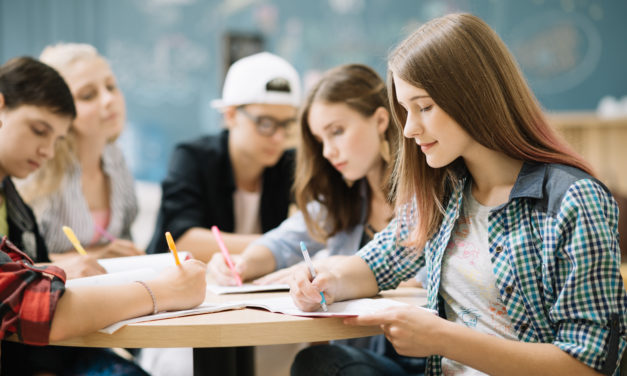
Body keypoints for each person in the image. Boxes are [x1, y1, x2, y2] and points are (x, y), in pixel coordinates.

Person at [289, 13, 626, 376]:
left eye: (425, 107)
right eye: (405, 111)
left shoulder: (574, 200)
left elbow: (590, 365)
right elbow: (377, 263)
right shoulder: (444, 190)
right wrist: (327, 281)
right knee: (320, 363)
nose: (410, 129)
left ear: (474, 95)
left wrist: (445, 339)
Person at [0, 56, 207, 376]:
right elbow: (36, 302)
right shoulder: (30, 186)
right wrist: (164, 291)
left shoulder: (13, 194)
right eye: (39, 131)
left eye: (56, 139)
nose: (47, 151)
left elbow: (27, 276)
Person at [147, 51, 300, 262]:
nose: (279, 137)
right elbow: (181, 241)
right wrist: (280, 244)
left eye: (287, 124)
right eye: (266, 123)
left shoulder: (289, 164)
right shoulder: (193, 157)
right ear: (230, 115)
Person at [19, 43, 142, 264]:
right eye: (87, 95)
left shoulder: (115, 158)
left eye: (111, 87)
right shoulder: (35, 168)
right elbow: (16, 264)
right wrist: (94, 258)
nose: (108, 100)